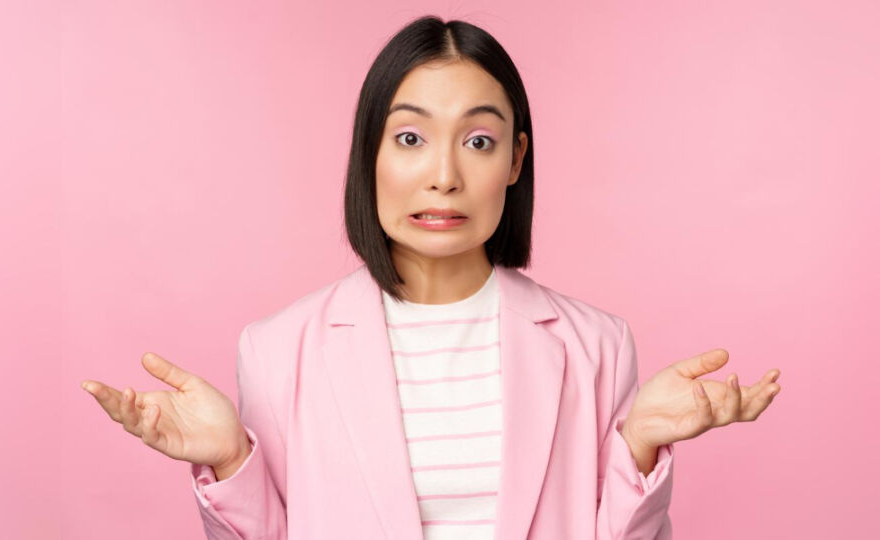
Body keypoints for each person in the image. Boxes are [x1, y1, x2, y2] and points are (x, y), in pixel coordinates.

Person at [82, 15, 782, 540]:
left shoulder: (597, 344)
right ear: (371, 154)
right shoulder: (277, 348)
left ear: (515, 160)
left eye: (479, 141)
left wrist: (640, 451)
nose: (444, 176)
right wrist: (232, 461)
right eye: (410, 137)